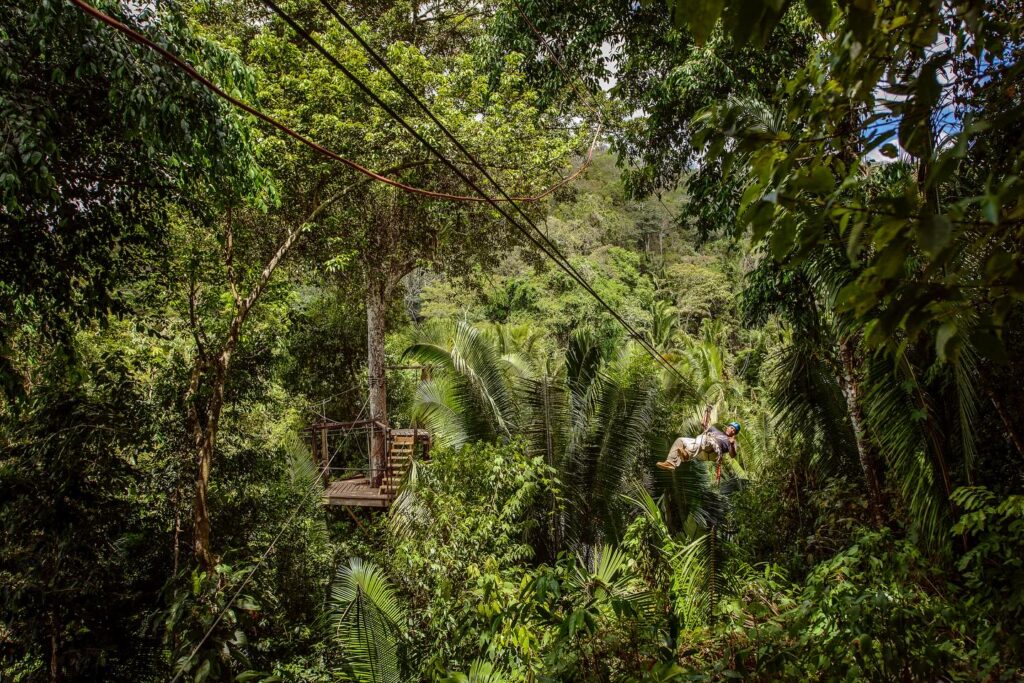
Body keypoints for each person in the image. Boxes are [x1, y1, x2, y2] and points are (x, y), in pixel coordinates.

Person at [657, 421, 740, 470]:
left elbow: (733, 455)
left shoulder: (731, 441)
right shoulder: (714, 430)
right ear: (727, 427)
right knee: (680, 440)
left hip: (714, 452)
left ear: (734, 433)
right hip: (702, 449)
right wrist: (704, 424)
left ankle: (687, 455)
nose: (732, 430)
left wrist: (732, 444)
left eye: (734, 430)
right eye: (731, 427)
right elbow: (705, 427)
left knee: (703, 438)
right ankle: (670, 463)